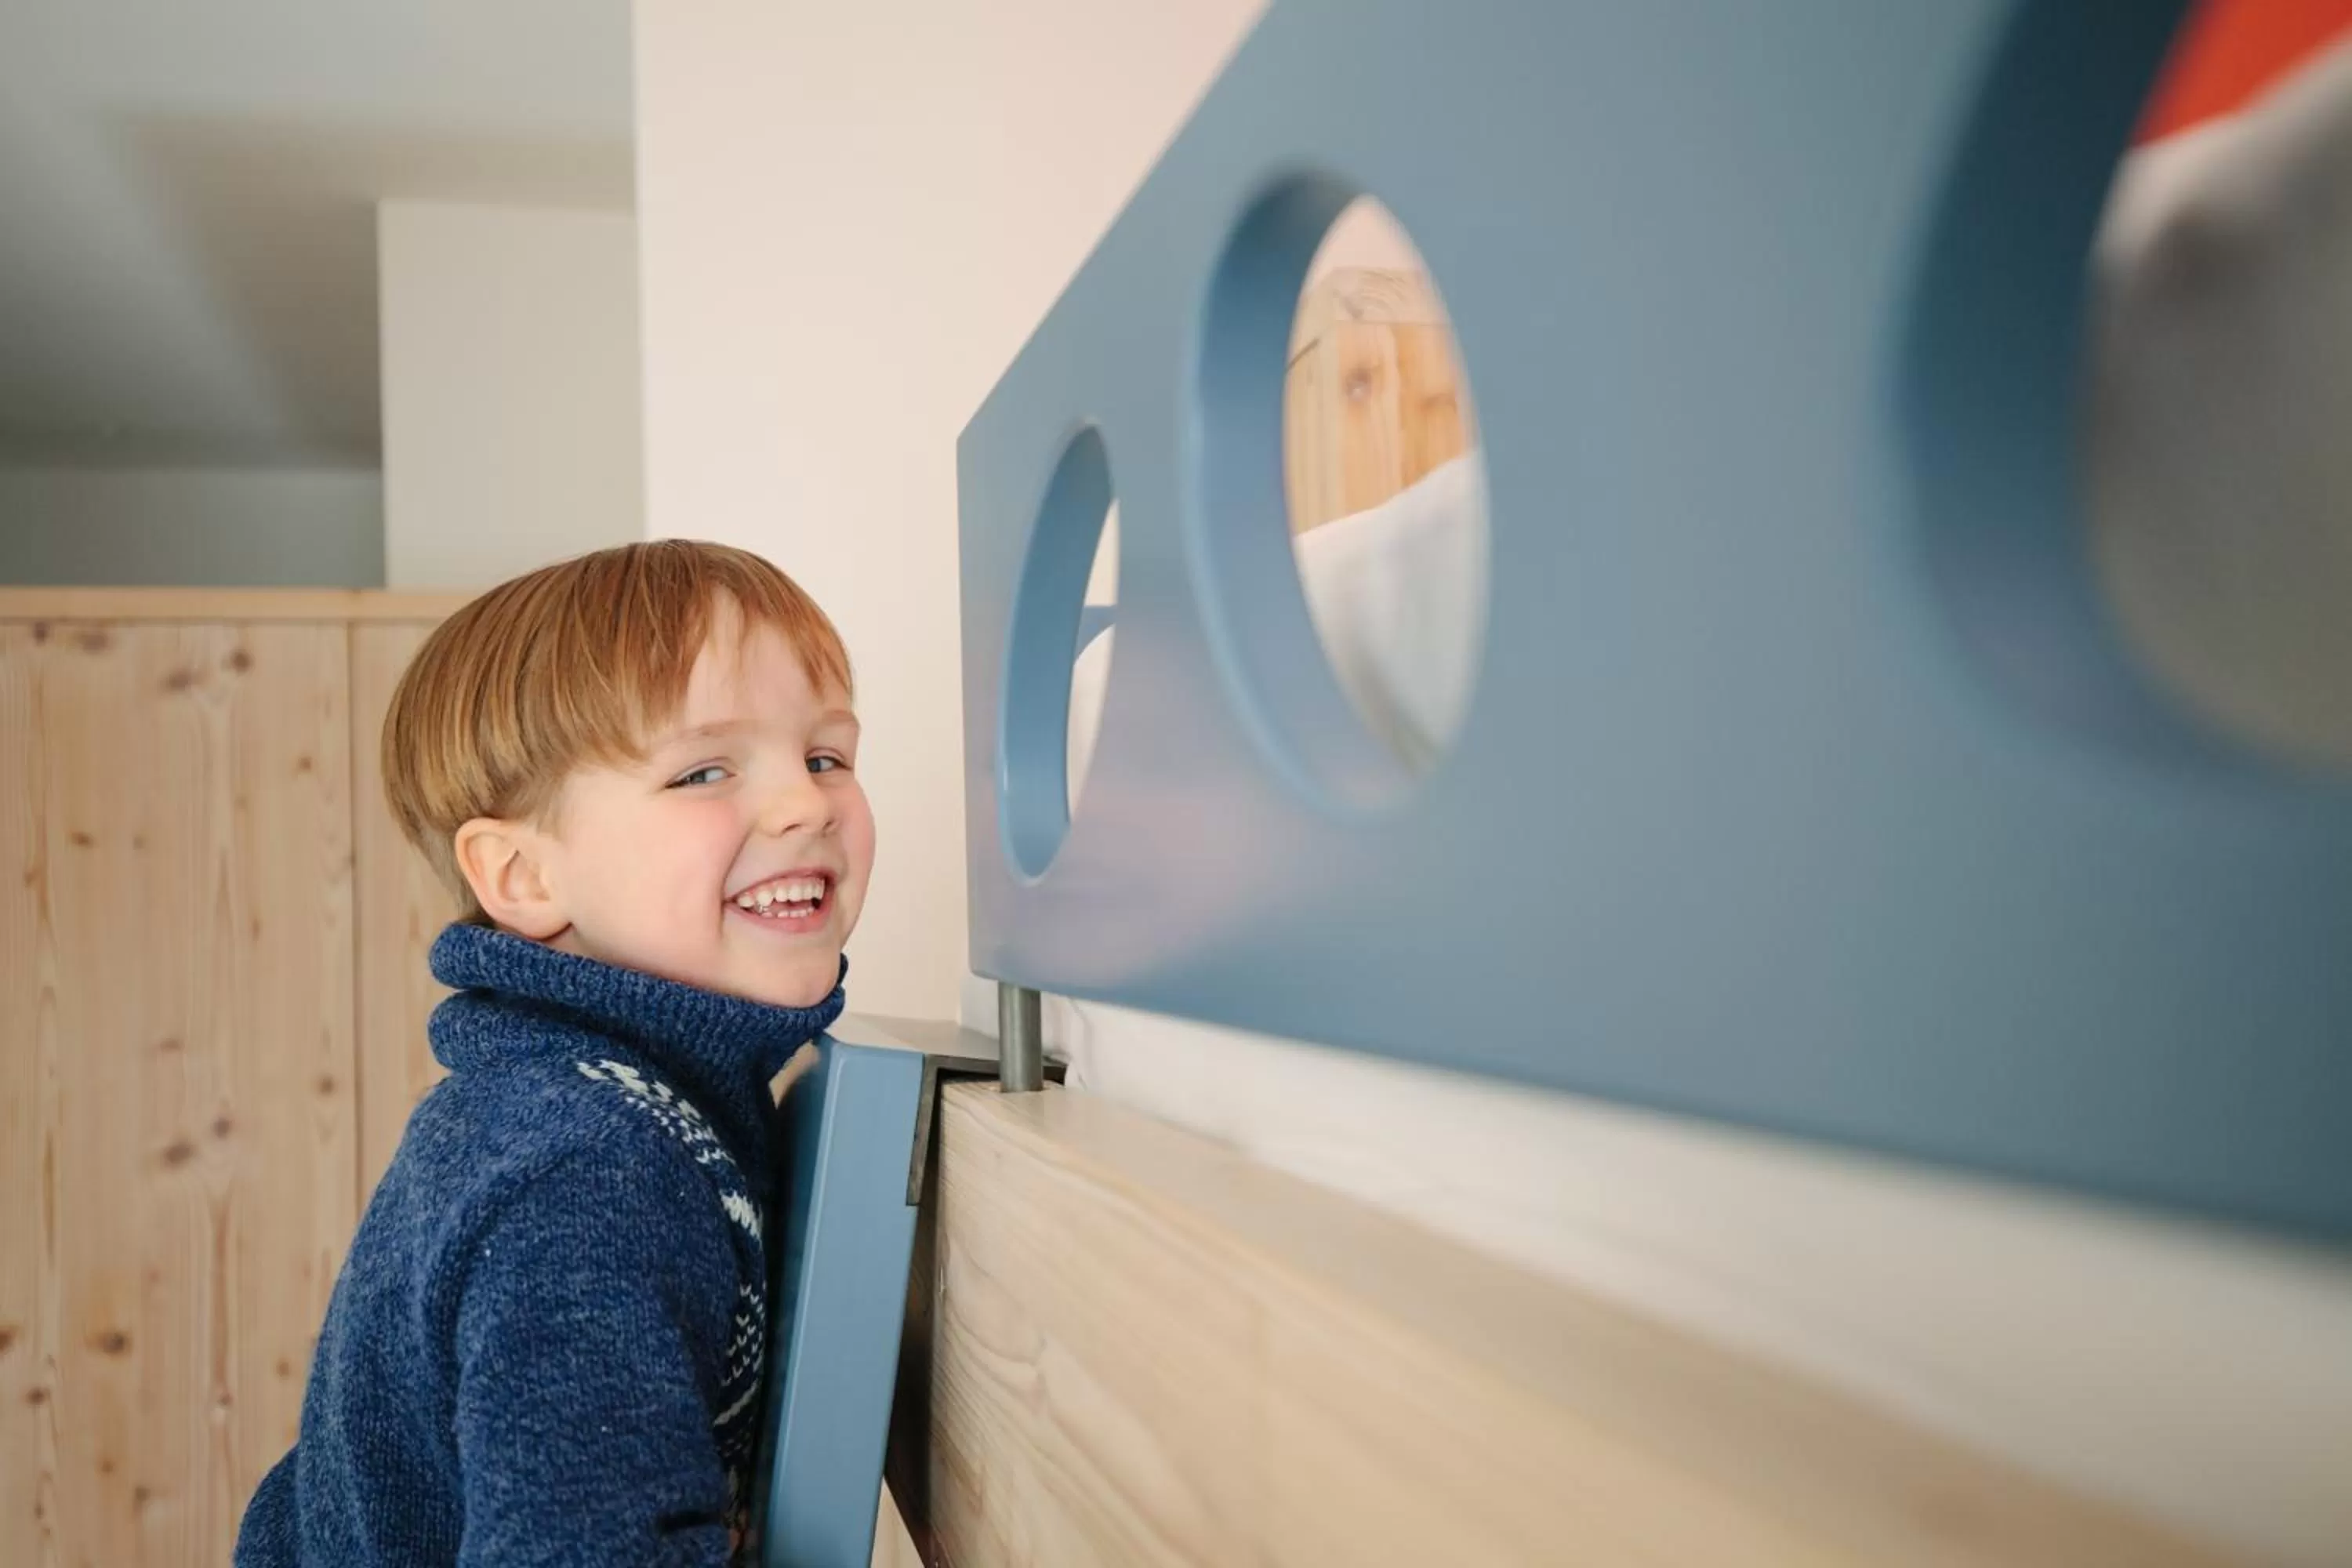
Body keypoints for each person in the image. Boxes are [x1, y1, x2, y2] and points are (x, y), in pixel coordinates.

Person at [237, 539, 874, 1566]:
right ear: (525, 879)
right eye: (705, 769)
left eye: (827, 756)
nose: (805, 804)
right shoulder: (585, 1164)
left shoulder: (629, 1102)